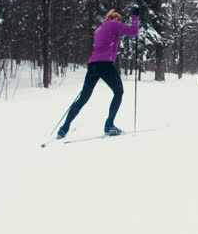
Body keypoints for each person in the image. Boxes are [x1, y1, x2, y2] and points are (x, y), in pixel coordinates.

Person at [57, 8, 140, 138]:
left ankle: (64, 127)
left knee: (84, 97)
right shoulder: (114, 24)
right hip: (105, 64)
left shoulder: (99, 29)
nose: (119, 22)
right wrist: (135, 17)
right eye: (118, 19)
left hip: (93, 65)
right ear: (113, 18)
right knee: (118, 92)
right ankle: (109, 125)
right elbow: (134, 32)